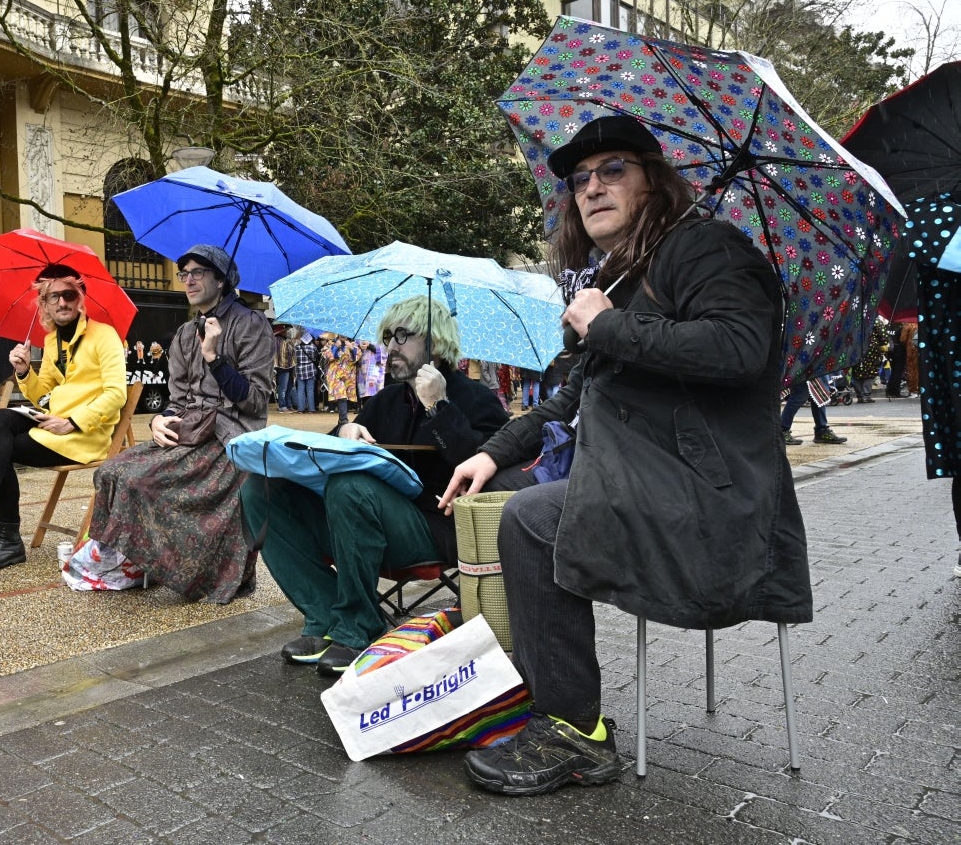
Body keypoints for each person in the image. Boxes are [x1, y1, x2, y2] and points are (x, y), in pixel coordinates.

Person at [439, 115, 811, 797]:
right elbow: (565, 407)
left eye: (614, 170)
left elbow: (737, 349)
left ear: (653, 181)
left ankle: (574, 732)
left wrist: (608, 325)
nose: (592, 187)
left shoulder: (709, 250)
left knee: (530, 519)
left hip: (705, 496)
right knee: (485, 497)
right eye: (580, 179)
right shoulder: (615, 279)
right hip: (632, 474)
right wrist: (489, 455)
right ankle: (504, 681)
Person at [241, 296, 510, 674]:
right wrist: (344, 429)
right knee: (260, 491)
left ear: (437, 341)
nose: (392, 346)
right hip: (360, 522)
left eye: (403, 334)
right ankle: (324, 617)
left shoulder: (477, 399)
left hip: (435, 527)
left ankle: (359, 627)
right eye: (387, 336)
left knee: (351, 488)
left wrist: (439, 408)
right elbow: (336, 453)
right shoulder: (387, 399)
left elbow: (491, 474)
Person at [82, 245, 273, 603]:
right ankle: (138, 561)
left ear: (221, 279)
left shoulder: (252, 324)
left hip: (230, 437)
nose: (188, 280)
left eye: (198, 272)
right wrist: (159, 419)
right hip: (189, 430)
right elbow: (179, 400)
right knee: (113, 471)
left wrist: (215, 358)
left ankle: (183, 571)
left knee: (139, 479)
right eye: (184, 274)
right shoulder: (186, 333)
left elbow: (257, 401)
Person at [0, 265, 127, 571]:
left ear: (81, 297)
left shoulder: (103, 335)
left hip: (83, 434)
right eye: (53, 296)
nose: (62, 302)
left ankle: (5, 537)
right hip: (52, 423)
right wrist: (23, 371)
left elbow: (116, 394)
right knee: (0, 419)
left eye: (69, 294)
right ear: (43, 303)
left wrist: (72, 422)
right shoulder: (51, 340)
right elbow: (41, 394)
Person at [780, 377, 847, 445]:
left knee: (819, 393)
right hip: (803, 368)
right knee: (800, 394)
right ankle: (782, 431)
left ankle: (821, 430)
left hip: (813, 368)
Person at [319, 333, 363, 422]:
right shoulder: (330, 344)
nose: (343, 335)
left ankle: (341, 418)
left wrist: (352, 349)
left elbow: (356, 358)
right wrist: (335, 347)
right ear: (338, 334)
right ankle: (344, 419)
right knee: (341, 395)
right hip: (335, 375)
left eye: (345, 333)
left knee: (344, 396)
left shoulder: (352, 345)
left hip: (348, 376)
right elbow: (328, 357)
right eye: (341, 333)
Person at [274, 327, 298, 412]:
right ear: (281, 332)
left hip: (290, 366)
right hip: (282, 366)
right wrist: (291, 344)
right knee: (283, 387)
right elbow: (284, 352)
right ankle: (282, 405)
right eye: (285, 331)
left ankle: (288, 404)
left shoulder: (286, 340)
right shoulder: (277, 340)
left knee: (289, 387)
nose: (287, 332)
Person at [293, 332, 318, 414]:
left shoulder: (297, 347)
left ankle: (300, 409)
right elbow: (315, 357)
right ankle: (311, 409)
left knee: (300, 389)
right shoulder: (312, 347)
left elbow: (295, 358)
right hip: (310, 369)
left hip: (300, 370)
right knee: (310, 390)